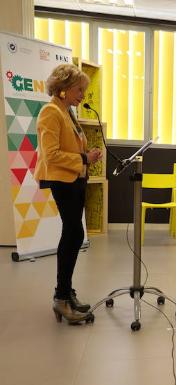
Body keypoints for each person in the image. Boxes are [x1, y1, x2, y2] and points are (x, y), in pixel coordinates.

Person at [34, 64, 102, 323]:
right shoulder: (50, 112)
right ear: (62, 89)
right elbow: (50, 155)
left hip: (75, 179)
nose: (83, 95)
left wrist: (87, 157)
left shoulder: (67, 112)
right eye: (79, 89)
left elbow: (70, 148)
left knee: (74, 233)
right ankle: (61, 298)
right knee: (73, 233)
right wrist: (83, 157)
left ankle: (65, 293)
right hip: (63, 181)